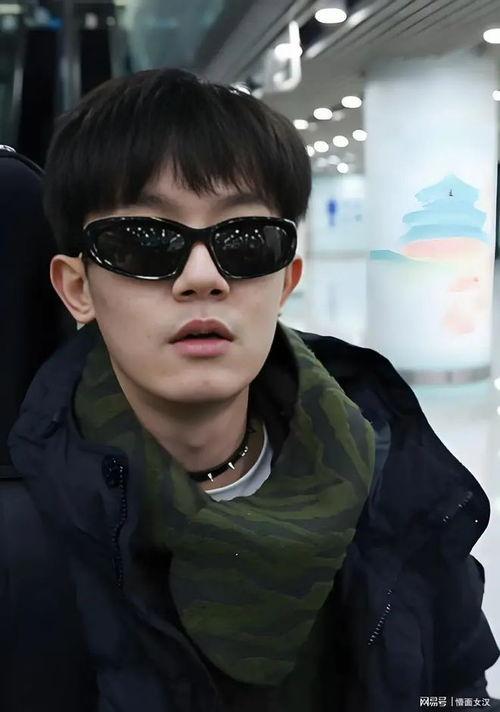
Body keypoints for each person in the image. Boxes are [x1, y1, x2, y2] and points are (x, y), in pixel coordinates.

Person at [6, 67, 499, 712]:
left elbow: (455, 689)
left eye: (244, 241)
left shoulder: (391, 471)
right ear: (78, 290)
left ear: (286, 280)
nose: (202, 277)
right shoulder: (29, 536)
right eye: (145, 242)